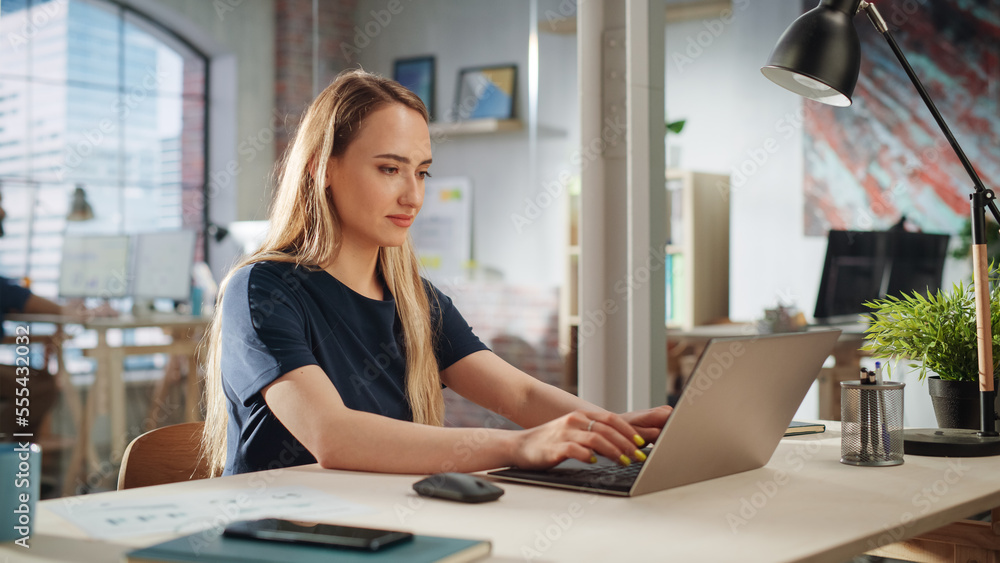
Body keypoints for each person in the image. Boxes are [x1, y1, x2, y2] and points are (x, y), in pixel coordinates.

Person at [200, 68, 672, 477]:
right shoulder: (261, 289)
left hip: (379, 528)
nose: (413, 196)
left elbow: (523, 395)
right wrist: (519, 446)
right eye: (389, 169)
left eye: (421, 172)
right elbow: (334, 435)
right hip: (279, 538)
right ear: (322, 168)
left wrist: (621, 435)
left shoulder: (414, 298)